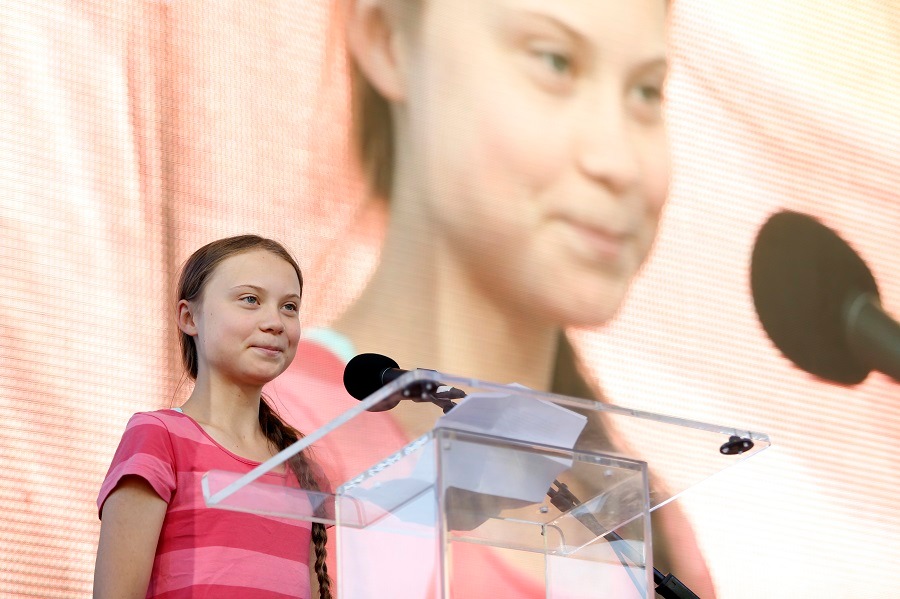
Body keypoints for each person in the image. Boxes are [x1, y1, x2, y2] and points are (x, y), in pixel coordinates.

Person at [267, 0, 716, 596]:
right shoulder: (268, 440)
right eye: (554, 61)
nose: (622, 164)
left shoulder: (655, 534)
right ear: (387, 41)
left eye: (645, 91)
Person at [93, 235, 332, 599]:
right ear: (189, 317)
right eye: (250, 299)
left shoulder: (303, 470)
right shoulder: (160, 437)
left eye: (289, 307)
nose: (275, 322)